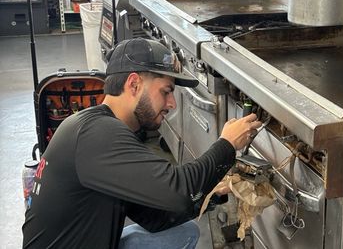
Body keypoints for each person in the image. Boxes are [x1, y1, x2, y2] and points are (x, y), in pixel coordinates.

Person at [22, 38, 262, 248]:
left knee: (183, 233)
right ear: (134, 84)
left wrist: (212, 193)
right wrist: (227, 144)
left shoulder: (101, 129)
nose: (172, 104)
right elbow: (178, 191)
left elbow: (154, 217)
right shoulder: (97, 133)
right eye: (166, 92)